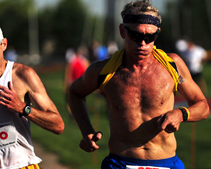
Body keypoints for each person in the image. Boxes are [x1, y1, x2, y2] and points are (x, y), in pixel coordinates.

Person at [68, 0, 210, 169]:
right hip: (119, 163)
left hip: (166, 162)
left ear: (157, 34)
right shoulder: (103, 70)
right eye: (136, 35)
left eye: (150, 37)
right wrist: (87, 131)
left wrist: (181, 114)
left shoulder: (173, 65)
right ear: (123, 31)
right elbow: (75, 92)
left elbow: (203, 106)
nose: (142, 43)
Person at [0, 22, 65, 169]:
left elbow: (58, 125)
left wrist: (22, 107)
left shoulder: (23, 76)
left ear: (4, 44)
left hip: (21, 163)